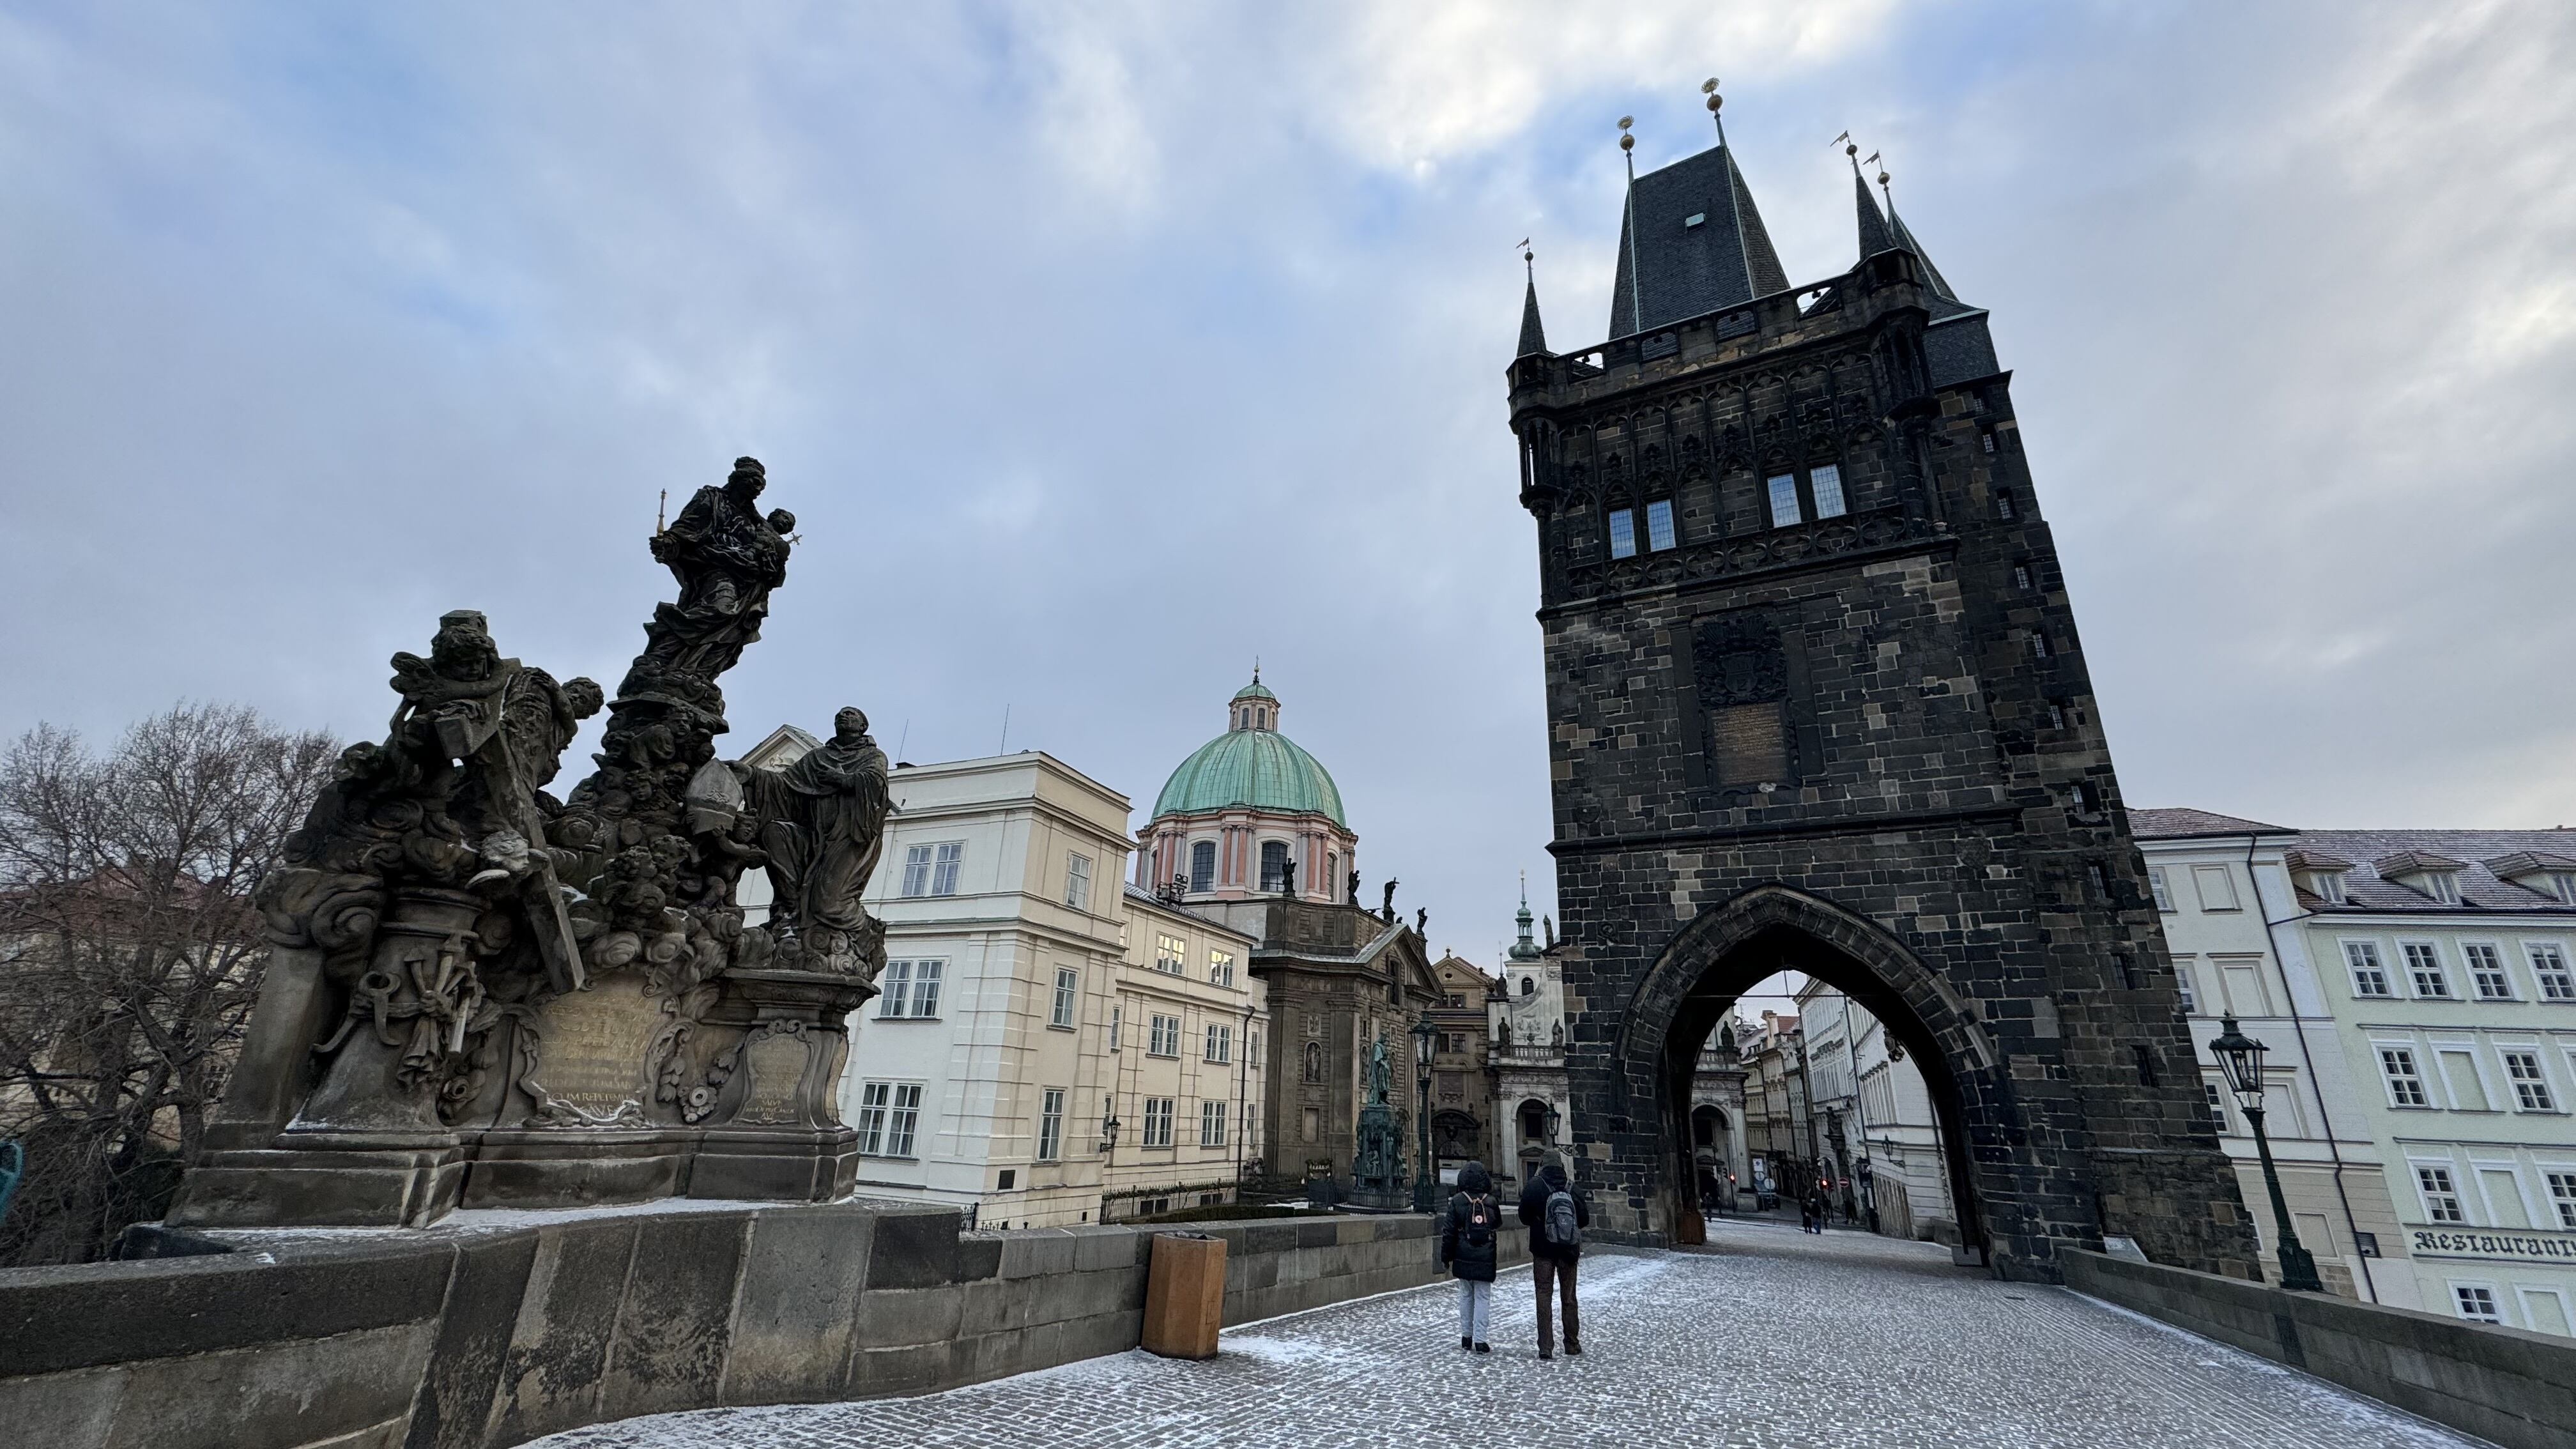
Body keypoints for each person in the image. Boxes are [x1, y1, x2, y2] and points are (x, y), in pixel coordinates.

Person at [1519, 1150, 1588, 1360]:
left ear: (1541, 1164)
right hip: (1568, 1251)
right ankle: (1572, 1343)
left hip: (1543, 1251)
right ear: (1561, 1165)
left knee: (1543, 1295)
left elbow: (1523, 1217)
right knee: (1568, 1297)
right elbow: (1584, 1220)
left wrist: (1540, 1223)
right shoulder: (1573, 1188)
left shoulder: (1534, 1186)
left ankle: (1546, 1346)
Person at [1436, 1160, 1501, 1353]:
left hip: (1462, 1253)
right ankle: (1481, 1340)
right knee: (1482, 1297)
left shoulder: (1457, 1201)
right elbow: (1497, 1223)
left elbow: (1448, 1232)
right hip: (1485, 1255)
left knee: (1465, 1295)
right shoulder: (1490, 1201)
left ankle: (1466, 1337)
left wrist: (1446, 1257)